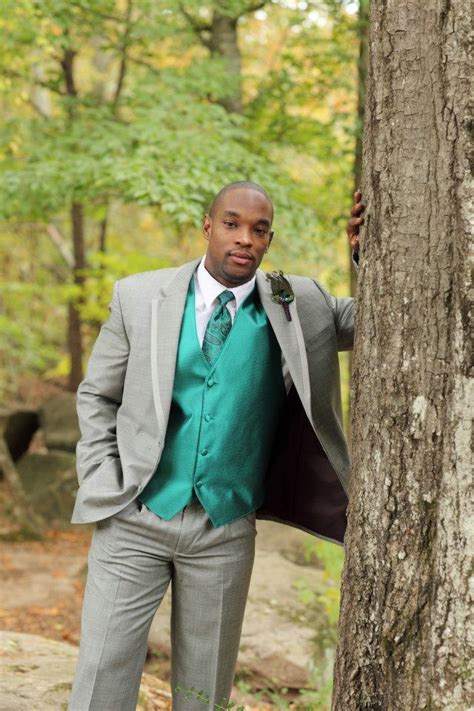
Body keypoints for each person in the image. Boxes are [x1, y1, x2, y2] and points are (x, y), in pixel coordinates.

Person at [68, 181, 364, 710]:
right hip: (135, 517)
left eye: (259, 229)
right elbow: (97, 396)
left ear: (269, 239)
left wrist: (371, 253)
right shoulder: (138, 298)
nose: (244, 238)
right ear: (208, 226)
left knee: (202, 693)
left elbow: (382, 318)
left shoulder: (298, 305)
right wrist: (103, 478)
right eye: (232, 224)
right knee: (101, 679)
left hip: (223, 531)